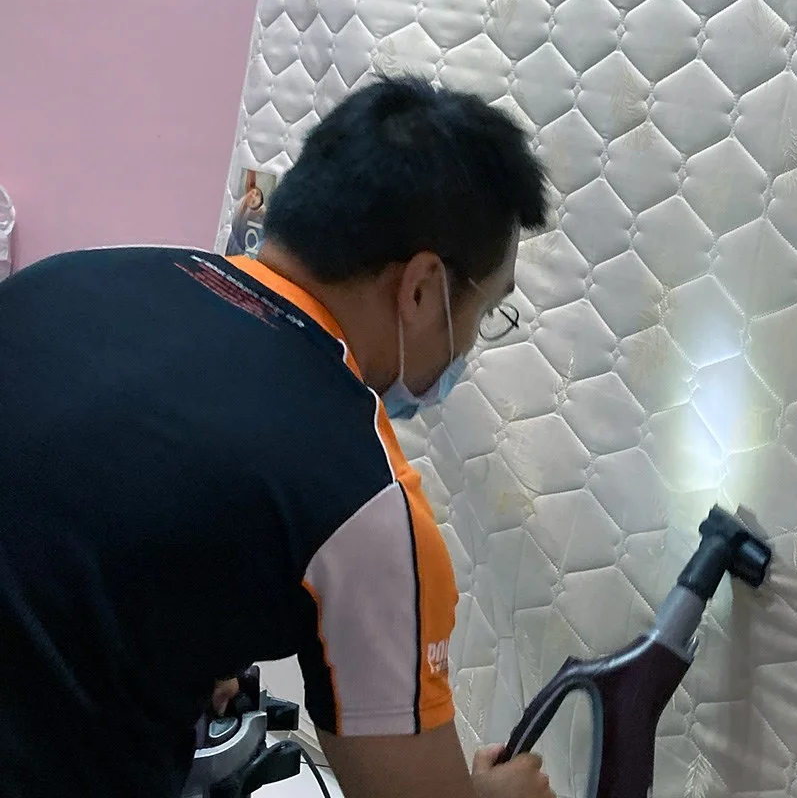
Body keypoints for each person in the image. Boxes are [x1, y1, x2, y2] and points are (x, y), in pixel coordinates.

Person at [0, 74, 553, 798]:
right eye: (485, 312)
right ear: (421, 290)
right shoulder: (366, 500)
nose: (471, 344)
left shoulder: (61, 282)